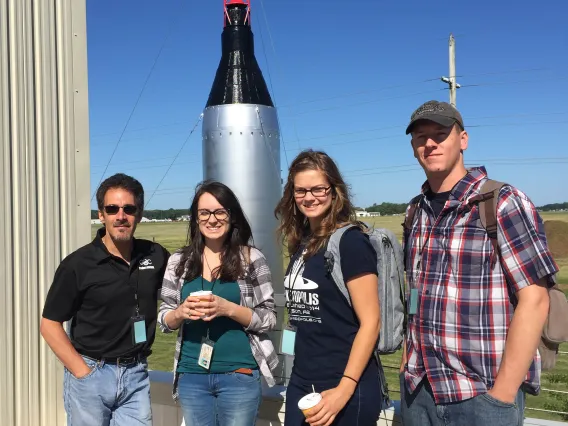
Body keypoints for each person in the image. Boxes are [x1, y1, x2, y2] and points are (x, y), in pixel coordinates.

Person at [400, 100, 559, 426]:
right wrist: (406, 359)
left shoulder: (500, 202)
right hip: (419, 389)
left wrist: (501, 394)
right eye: (420, 137)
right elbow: (415, 292)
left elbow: (535, 299)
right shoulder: (415, 212)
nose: (430, 143)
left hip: (481, 394)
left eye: (440, 134)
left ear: (463, 140)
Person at [40, 173, 170, 426]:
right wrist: (83, 373)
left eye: (129, 209)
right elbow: (49, 324)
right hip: (92, 372)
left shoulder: (155, 255)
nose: (121, 216)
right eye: (112, 209)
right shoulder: (78, 264)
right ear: (101, 214)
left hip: (136, 375)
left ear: (139, 214)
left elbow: (187, 278)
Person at [275, 150, 383, 426]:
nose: (309, 197)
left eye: (318, 189)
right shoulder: (303, 243)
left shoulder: (351, 242)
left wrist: (343, 390)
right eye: (300, 190)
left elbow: (371, 322)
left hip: (345, 385)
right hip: (303, 381)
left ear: (334, 191)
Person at [157, 180, 278, 426]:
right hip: (191, 374)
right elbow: (164, 319)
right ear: (195, 218)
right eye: (204, 213)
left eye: (220, 212)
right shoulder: (179, 261)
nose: (212, 220)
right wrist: (180, 313)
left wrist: (228, 309)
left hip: (239, 374)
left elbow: (269, 318)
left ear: (231, 216)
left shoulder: (252, 258)